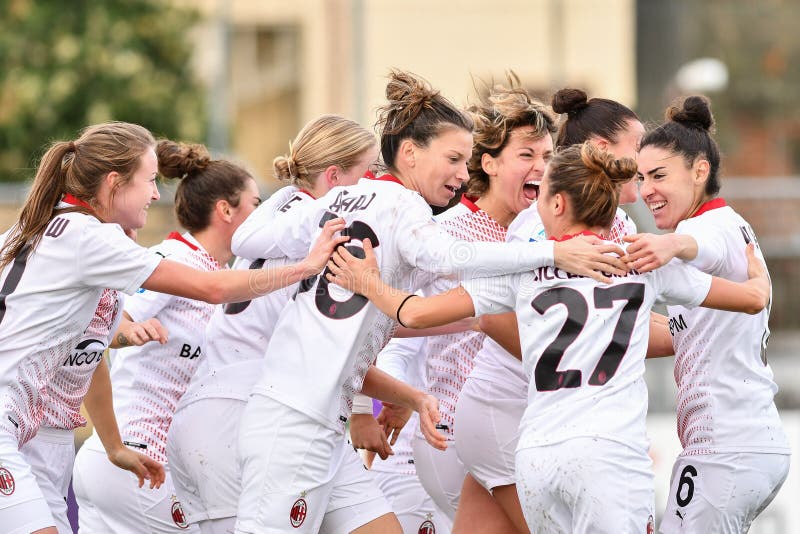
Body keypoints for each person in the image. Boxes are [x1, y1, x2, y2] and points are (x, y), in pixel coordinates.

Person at [231, 70, 627, 534]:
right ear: (410, 153)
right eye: (455, 159)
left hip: (321, 417)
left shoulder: (342, 198)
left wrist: (308, 244)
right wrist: (554, 251)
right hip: (294, 420)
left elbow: (246, 236)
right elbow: (449, 258)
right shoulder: (405, 208)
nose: (463, 174)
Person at [324, 141, 771, 533]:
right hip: (609, 457)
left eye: (543, 195)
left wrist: (368, 283)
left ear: (558, 205)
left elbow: (416, 313)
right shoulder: (643, 263)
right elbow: (750, 300)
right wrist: (758, 280)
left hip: (537, 456)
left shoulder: (519, 270)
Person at [0, 121, 346, 534]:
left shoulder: (34, 229)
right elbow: (212, 288)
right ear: (114, 183)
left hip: (33, 434)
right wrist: (306, 267)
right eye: (148, 181)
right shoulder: (90, 238)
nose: (154, 193)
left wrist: (114, 445)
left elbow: (87, 356)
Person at [166, 115, 378, 534]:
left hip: (281, 414)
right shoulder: (320, 228)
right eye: (367, 173)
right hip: (240, 413)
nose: (374, 185)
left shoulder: (282, 210)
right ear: (334, 177)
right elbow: (342, 335)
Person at [453, 87, 647, 533]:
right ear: (601, 151)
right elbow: (497, 316)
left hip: (532, 426)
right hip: (510, 413)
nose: (648, 157)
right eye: (638, 147)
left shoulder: (622, 228)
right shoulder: (538, 225)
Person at [71, 139, 265, 532]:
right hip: (136, 458)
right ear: (225, 210)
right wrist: (127, 330)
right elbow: (107, 322)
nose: (263, 219)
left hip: (123, 463)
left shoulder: (213, 270)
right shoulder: (175, 258)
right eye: (256, 206)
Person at [625, 95, 791, 532]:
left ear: (700, 171)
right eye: (642, 177)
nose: (646, 191)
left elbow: (704, 247)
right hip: (745, 442)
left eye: (659, 175)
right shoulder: (726, 221)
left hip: (726, 449)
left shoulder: (704, 228)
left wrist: (674, 244)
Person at [406, 80, 556, 531]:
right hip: (453, 430)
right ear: (488, 162)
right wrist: (384, 405)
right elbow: (395, 325)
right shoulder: (447, 234)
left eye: (549, 157)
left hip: (515, 426)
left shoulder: (540, 231)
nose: (541, 168)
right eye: (527, 155)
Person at [19, 289, 168, 534]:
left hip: (59, 446)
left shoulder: (108, 290)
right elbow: (211, 288)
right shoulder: (38, 271)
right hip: (17, 438)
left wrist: (115, 447)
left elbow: (92, 358)